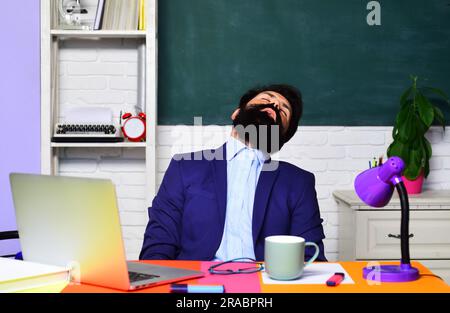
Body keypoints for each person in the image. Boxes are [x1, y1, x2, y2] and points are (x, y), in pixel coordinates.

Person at [139, 84, 326, 262]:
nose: (274, 105)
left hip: (266, 285)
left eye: (283, 110)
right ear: (237, 113)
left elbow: (311, 256)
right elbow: (158, 244)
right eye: (265, 99)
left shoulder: (299, 182)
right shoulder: (184, 167)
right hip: (197, 281)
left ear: (283, 135)